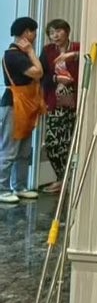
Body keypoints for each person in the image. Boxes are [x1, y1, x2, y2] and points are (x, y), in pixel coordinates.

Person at [0, 17, 45, 206]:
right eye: (34, 31)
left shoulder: (22, 54)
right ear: (27, 32)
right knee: (10, 149)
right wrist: (32, 52)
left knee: (24, 150)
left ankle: (19, 186)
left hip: (26, 105)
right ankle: (2, 189)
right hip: (13, 105)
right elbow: (38, 72)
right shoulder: (14, 55)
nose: (35, 35)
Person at [40, 19, 80, 193]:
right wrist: (57, 78)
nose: (54, 35)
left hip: (74, 100)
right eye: (51, 33)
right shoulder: (47, 51)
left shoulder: (77, 47)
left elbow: (86, 58)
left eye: (58, 31)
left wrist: (71, 55)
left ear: (67, 31)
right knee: (52, 143)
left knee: (69, 141)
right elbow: (42, 76)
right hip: (55, 100)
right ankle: (62, 178)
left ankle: (69, 181)